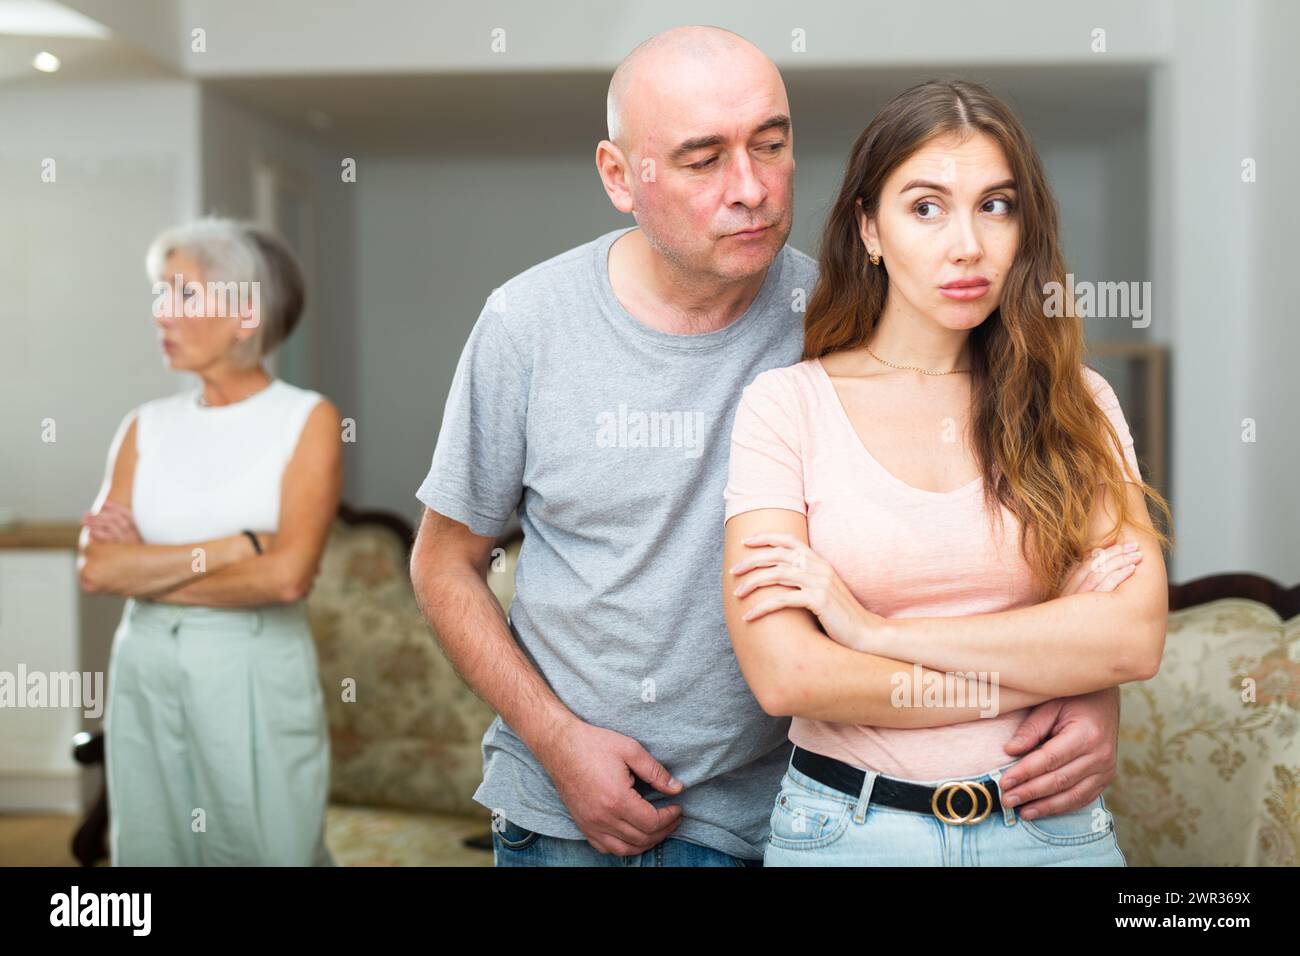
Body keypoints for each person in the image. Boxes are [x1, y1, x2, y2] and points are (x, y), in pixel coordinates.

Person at [411, 27, 1130, 868]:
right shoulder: (526, 326)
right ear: (619, 175)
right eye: (702, 159)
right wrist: (559, 742)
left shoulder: (849, 320)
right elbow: (443, 563)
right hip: (569, 809)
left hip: (780, 811)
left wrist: (1090, 691)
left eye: (771, 146)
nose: (750, 188)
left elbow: (990, 544)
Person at [721, 79, 1173, 866]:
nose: (967, 244)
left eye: (995, 205)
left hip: (1048, 833)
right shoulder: (785, 407)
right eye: (926, 208)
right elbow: (787, 676)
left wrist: (873, 633)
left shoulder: (1077, 402)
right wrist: (1051, 666)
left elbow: (1130, 640)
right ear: (870, 228)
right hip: (845, 833)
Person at [78, 217, 343, 866]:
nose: (160, 314)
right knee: (148, 852)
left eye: (183, 295)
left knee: (265, 844)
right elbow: (98, 569)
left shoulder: (305, 419)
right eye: (158, 295)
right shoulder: (143, 427)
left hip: (252, 668)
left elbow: (286, 579)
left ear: (245, 315)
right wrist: (238, 546)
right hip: (144, 666)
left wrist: (149, 565)